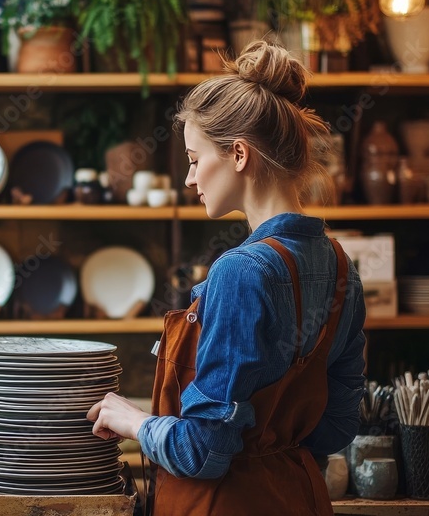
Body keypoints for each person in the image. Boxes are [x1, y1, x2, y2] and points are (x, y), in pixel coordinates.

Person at [86, 41, 367, 515]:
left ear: (239, 154)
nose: (190, 180)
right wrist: (267, 442)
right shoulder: (341, 267)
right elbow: (336, 427)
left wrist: (135, 422)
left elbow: (203, 453)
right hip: (301, 499)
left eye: (195, 160)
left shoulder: (240, 272)